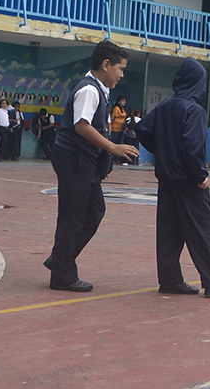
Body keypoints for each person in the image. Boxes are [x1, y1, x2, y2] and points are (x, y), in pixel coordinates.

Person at [136, 57, 210, 297]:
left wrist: (162, 151)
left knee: (168, 231)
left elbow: (142, 129)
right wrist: (200, 174)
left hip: (166, 178)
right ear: (198, 84)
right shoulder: (195, 111)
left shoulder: (164, 106)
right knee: (201, 229)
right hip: (188, 180)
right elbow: (193, 147)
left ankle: (170, 280)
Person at [44, 40, 139, 292]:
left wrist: (102, 161)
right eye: (120, 68)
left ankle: (60, 257)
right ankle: (62, 275)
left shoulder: (101, 90)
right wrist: (113, 148)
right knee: (73, 217)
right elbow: (82, 125)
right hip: (73, 158)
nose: (121, 75)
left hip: (84, 161)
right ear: (106, 65)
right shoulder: (89, 90)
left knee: (94, 211)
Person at [111, 95, 128, 163]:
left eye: (125, 101)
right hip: (115, 128)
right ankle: (112, 159)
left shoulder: (123, 109)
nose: (124, 102)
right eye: (122, 101)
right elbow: (112, 118)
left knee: (119, 143)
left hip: (121, 129)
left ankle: (116, 159)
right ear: (118, 101)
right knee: (114, 143)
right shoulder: (116, 108)